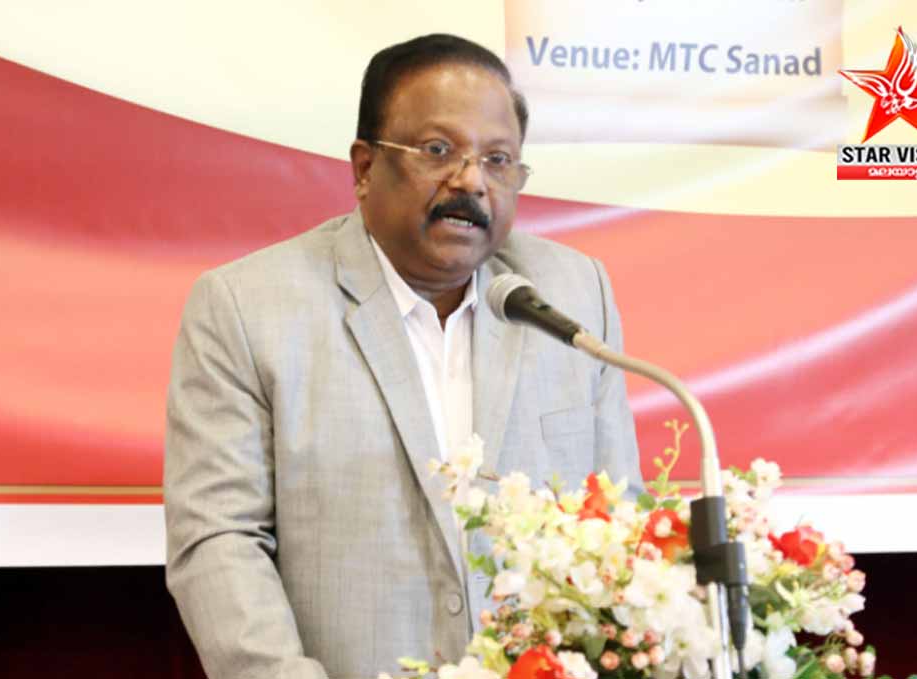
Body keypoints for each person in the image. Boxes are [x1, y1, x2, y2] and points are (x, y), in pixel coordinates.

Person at [164, 33, 641, 679]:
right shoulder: (249, 308)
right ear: (364, 168)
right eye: (438, 150)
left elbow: (617, 517)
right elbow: (219, 541)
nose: (471, 180)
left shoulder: (571, 294)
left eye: (498, 159)